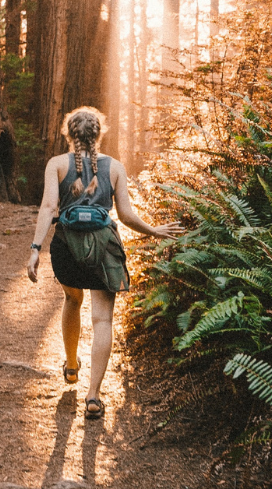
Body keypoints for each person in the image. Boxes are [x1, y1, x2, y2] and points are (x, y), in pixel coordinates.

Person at [27, 106, 182, 420]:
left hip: (66, 248)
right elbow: (125, 215)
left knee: (72, 299)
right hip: (104, 249)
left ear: (69, 134)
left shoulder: (56, 164)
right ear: (98, 134)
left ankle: (72, 366)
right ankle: (94, 396)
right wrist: (153, 230)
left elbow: (47, 206)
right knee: (102, 320)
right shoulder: (114, 167)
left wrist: (34, 250)